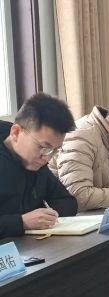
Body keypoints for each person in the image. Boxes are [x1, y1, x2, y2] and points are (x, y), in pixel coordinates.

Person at [1, 94, 78, 236]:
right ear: (16, 132)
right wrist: (22, 222)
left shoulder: (37, 162)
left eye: (55, 150)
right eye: (43, 147)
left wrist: (48, 215)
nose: (47, 158)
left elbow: (67, 201)